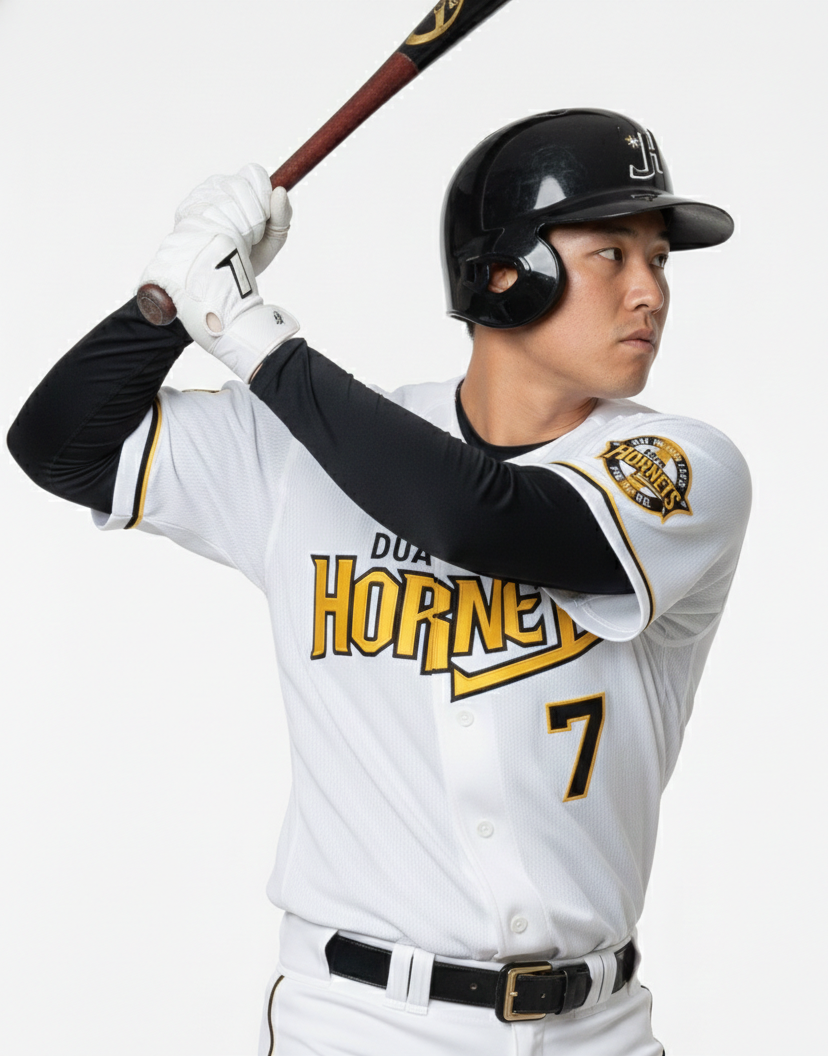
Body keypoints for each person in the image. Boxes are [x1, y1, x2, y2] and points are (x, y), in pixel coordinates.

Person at [7, 108, 750, 1056]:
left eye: (660, 260)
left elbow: (483, 516)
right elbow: (59, 446)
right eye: (612, 254)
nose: (651, 292)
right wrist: (166, 299)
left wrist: (249, 333)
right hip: (357, 1023)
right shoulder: (298, 453)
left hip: (595, 1031)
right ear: (503, 272)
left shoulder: (682, 466)